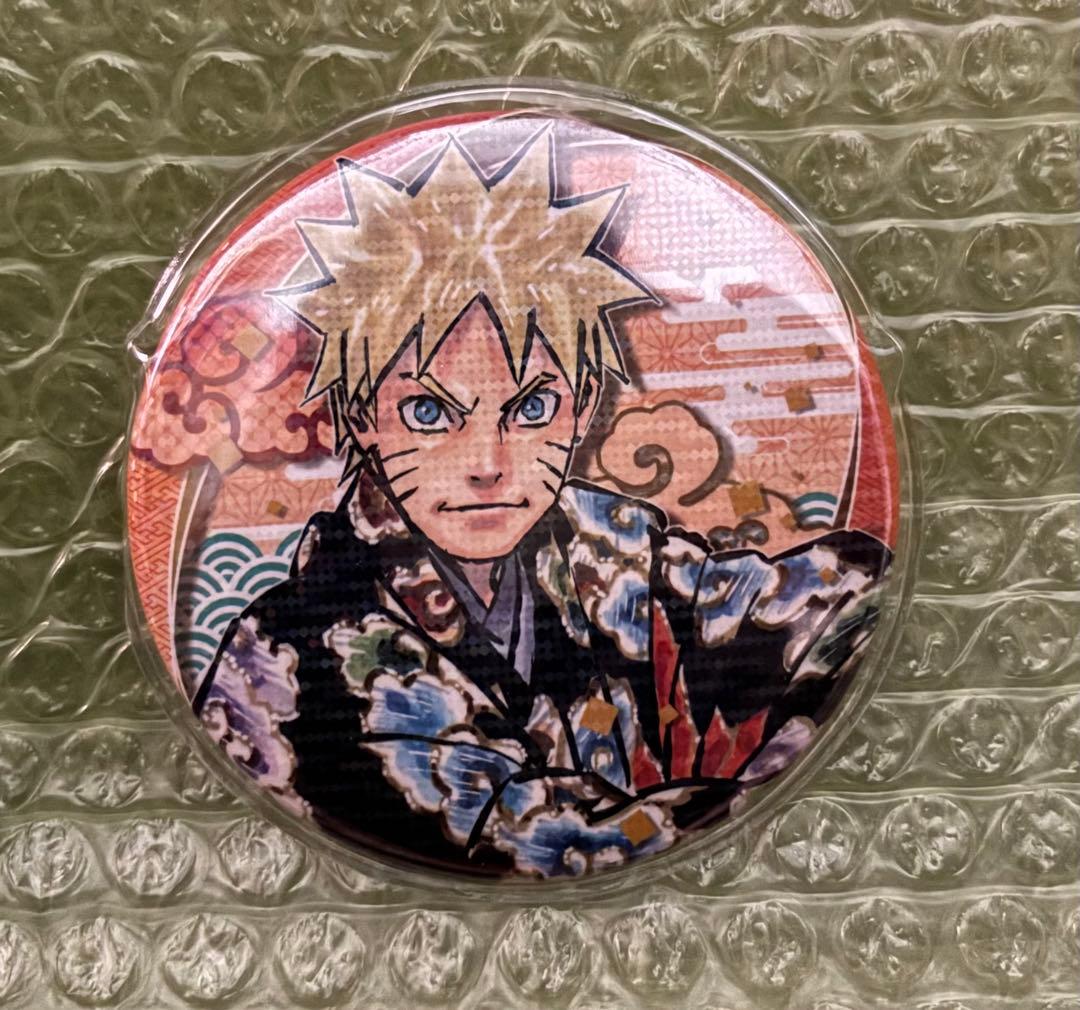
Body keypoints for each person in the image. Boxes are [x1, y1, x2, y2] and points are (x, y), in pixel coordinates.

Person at [192, 123, 890, 877]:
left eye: (531, 409)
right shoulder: (297, 652)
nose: (489, 465)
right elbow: (535, 839)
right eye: (428, 413)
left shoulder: (602, 546)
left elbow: (816, 602)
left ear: (583, 406)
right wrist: (757, 771)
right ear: (361, 416)